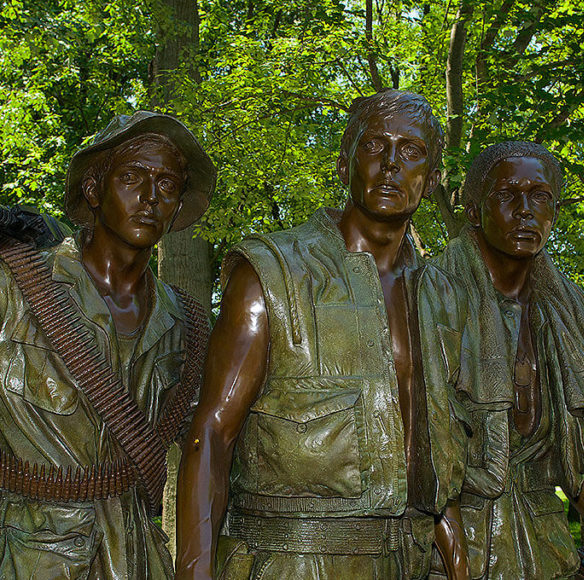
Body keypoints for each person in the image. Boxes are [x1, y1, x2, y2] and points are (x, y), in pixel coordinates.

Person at [176, 89, 470, 580]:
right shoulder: (272, 271)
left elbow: (436, 448)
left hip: (412, 560)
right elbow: (212, 432)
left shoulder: (441, 294)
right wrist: (194, 572)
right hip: (294, 561)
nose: (391, 163)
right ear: (344, 164)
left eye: (412, 151)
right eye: (375, 146)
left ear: (433, 177)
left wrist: (458, 561)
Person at [0, 111, 215, 579]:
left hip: (140, 556)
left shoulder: (189, 326)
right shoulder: (15, 287)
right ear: (95, 191)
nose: (150, 198)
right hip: (30, 556)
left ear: (178, 207)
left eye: (167, 184)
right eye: (132, 177)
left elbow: (214, 452)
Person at [432, 141, 584, 579]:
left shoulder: (565, 311)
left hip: (546, 549)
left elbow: (575, 455)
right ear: (473, 211)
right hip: (452, 550)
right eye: (507, 195)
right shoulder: (430, 298)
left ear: (555, 212)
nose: (526, 210)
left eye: (540, 197)